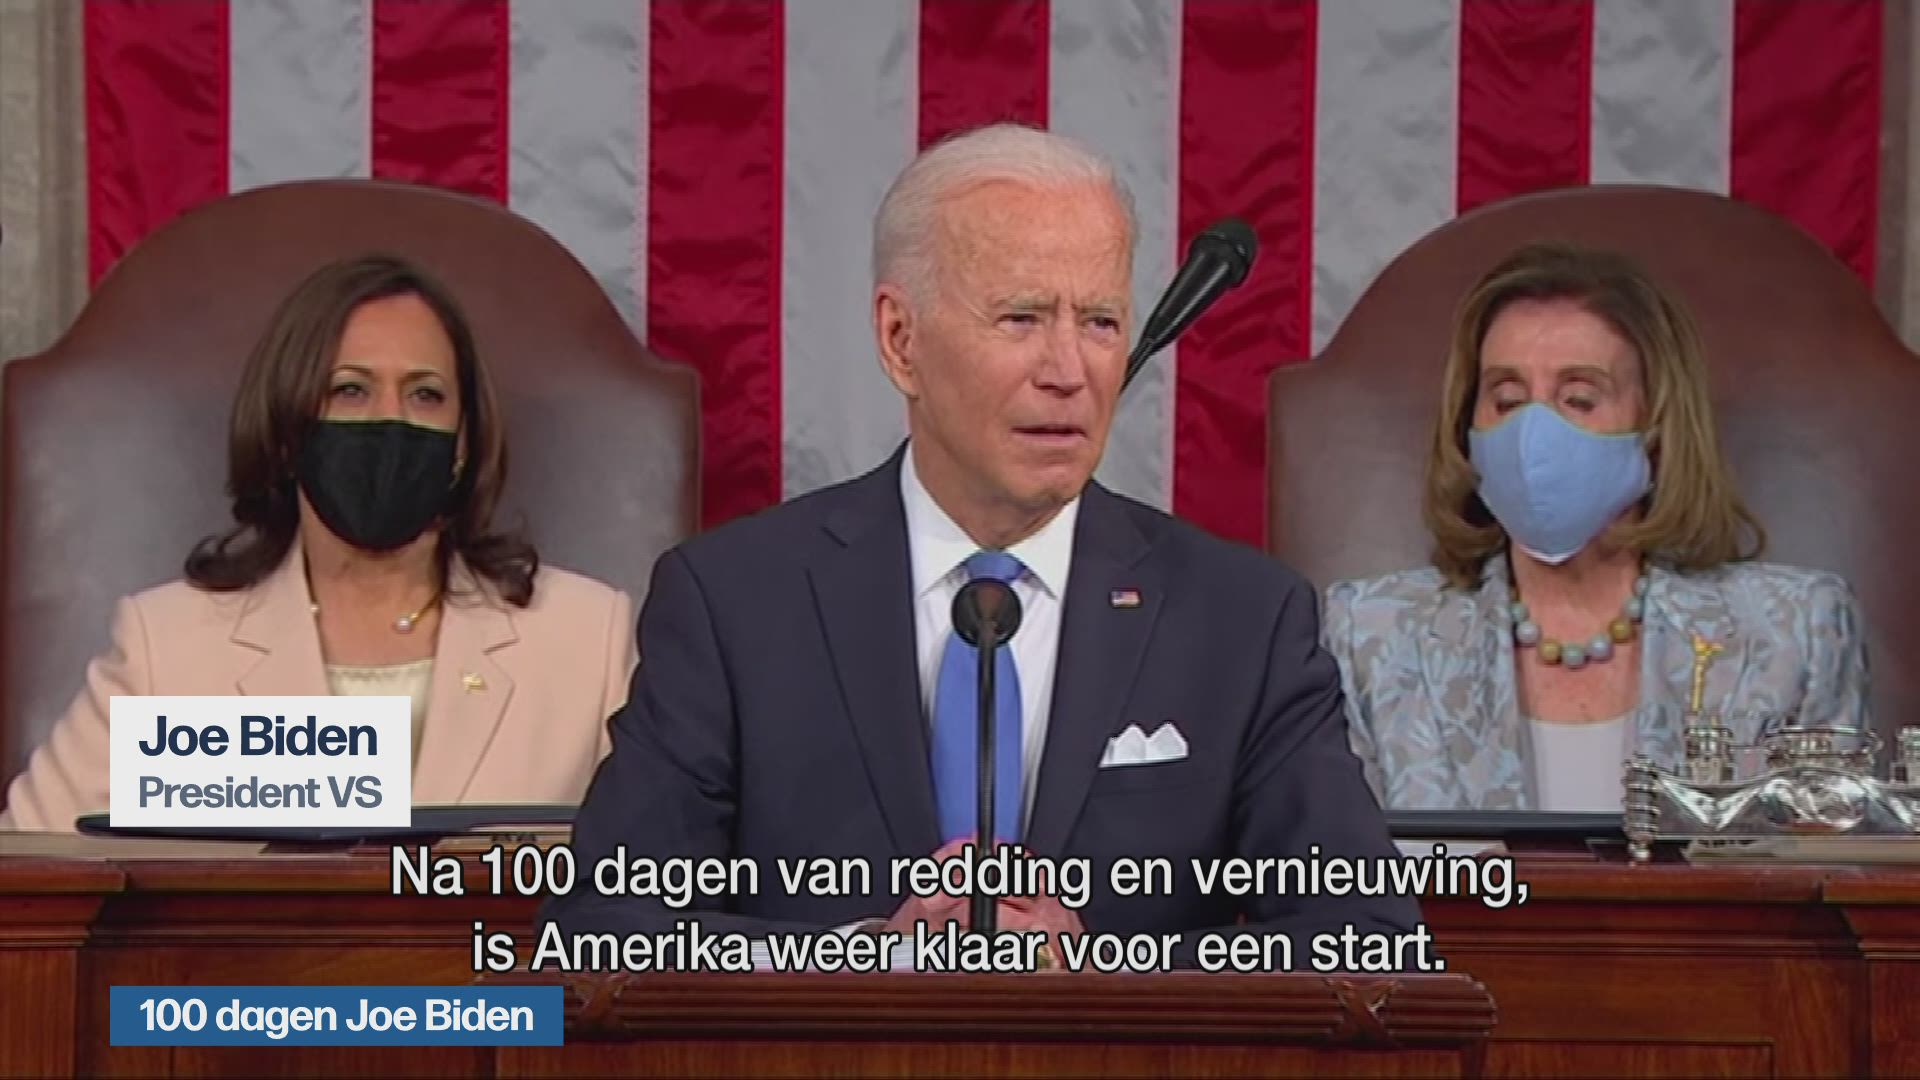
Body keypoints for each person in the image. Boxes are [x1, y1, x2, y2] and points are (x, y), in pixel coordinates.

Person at [546, 123, 1416, 967]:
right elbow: (601, 926)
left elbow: (1365, 937)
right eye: (1021, 317)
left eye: (1101, 322)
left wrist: (1104, 971)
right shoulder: (735, 602)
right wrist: (864, 959)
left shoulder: (1242, 622)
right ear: (901, 341)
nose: (1070, 371)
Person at [0, 254, 636, 831]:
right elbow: (29, 878)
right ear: (286, 431)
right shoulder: (167, 650)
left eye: (425, 394)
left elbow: (658, 879)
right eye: (350, 390)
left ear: (463, 443)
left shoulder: (586, 640)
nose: (390, 420)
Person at [1324, 243, 1870, 812]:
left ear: (1657, 423)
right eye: (1506, 400)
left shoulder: (1796, 636)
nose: (1533, 434)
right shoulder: (1372, 636)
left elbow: (1822, 857)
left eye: (1579, 399)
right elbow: (1337, 861)